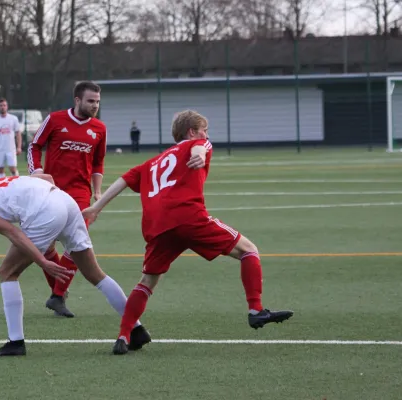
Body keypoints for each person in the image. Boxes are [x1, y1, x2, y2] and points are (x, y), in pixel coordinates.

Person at [82, 110, 294, 355]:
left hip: (157, 226)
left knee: (147, 281)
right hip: (188, 217)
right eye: (204, 130)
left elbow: (122, 181)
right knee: (249, 250)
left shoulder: (153, 162)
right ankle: (256, 310)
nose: (206, 135)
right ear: (192, 132)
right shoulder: (197, 143)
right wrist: (199, 154)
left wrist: (96, 207)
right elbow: (199, 148)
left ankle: (123, 335)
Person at [0, 175, 151, 356]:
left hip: (45, 211)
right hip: (65, 201)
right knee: (94, 273)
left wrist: (42, 261)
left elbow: (13, 233)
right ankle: (136, 329)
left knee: (6, 272)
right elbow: (48, 178)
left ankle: (15, 342)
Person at [27, 81, 106, 318]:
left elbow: (98, 162)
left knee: (77, 242)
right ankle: (57, 293)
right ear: (78, 100)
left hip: (80, 194)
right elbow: (34, 146)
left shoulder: (100, 129)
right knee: (45, 245)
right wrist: (36, 172)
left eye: (98, 101)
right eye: (91, 101)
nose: (95, 105)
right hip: (50, 191)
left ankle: (58, 295)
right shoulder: (54, 119)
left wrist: (98, 191)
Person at [0, 98, 22, 178]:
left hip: (11, 148)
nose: (2, 107)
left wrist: (19, 147)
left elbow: (18, 133)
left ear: (7, 107)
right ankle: (2, 187)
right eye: (1, 106)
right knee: (0, 169)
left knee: (13, 169)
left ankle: (16, 184)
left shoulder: (13, 119)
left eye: (4, 105)